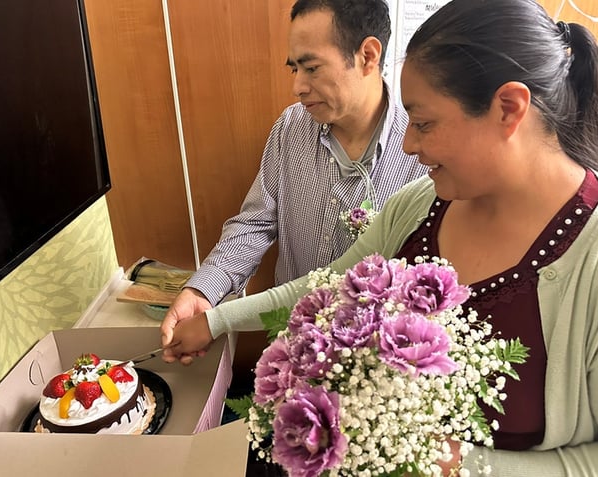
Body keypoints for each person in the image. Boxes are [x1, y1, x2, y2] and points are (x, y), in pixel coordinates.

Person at [163, 0, 598, 474]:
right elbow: (324, 285)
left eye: (423, 124)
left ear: (508, 109)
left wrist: (451, 464)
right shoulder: (420, 203)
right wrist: (216, 317)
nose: (410, 142)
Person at [159, 0, 428, 364]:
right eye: (294, 69)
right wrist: (204, 289)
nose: (298, 87)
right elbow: (256, 224)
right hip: (290, 345)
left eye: (312, 68)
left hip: (373, 366)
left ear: (367, 55)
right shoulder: (292, 127)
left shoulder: (422, 154)